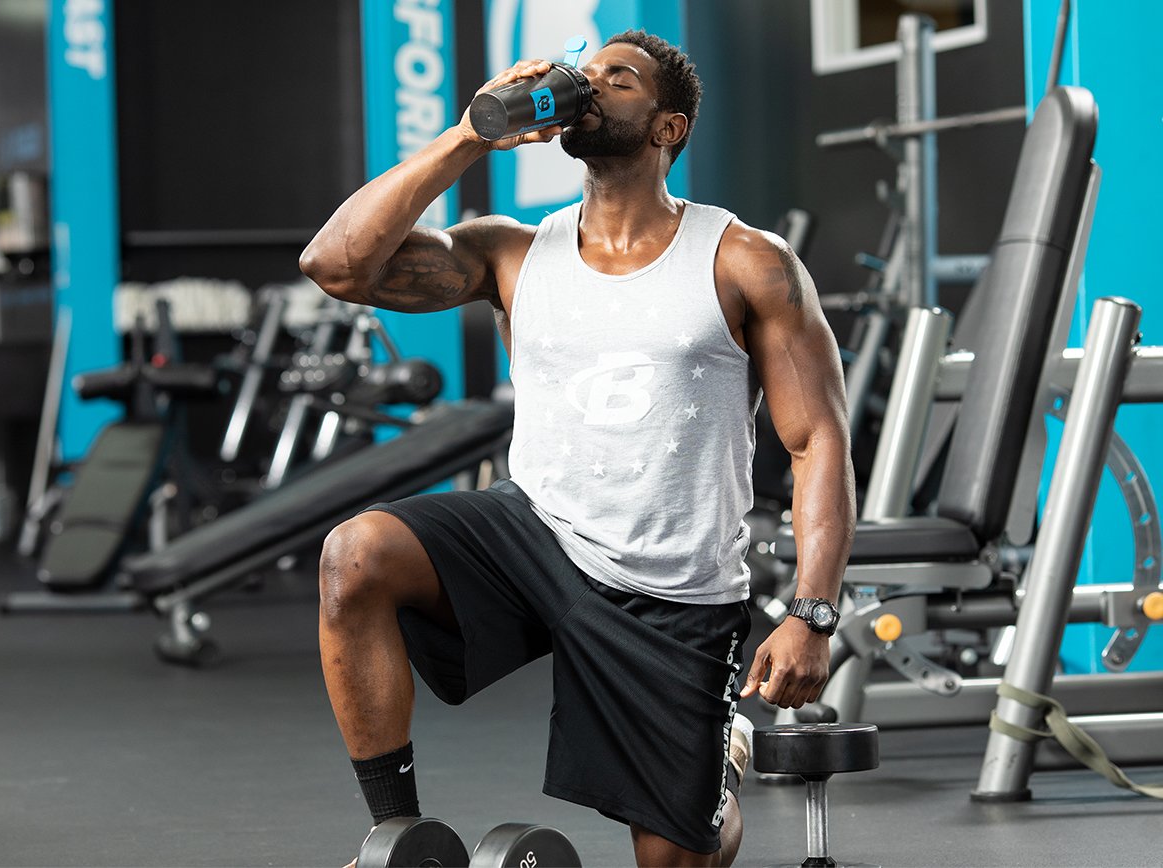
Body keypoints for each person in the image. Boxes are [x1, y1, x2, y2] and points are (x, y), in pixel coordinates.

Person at [300, 29, 855, 868]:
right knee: (357, 554)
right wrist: (468, 134)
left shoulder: (746, 261)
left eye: (617, 79)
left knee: (676, 858)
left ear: (667, 128)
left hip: (672, 584)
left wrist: (813, 614)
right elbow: (336, 265)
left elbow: (817, 440)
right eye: (583, 75)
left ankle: (722, 767)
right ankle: (397, 838)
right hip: (537, 533)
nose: (588, 88)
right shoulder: (513, 253)